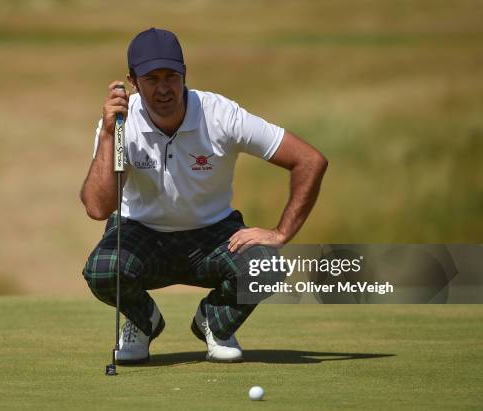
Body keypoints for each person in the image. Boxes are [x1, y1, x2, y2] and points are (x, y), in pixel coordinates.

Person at [80, 28, 327, 364]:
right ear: (133, 80)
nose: (164, 88)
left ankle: (214, 321)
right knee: (102, 270)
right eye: (152, 78)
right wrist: (110, 133)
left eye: (172, 76)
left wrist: (281, 233)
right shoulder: (122, 124)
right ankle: (143, 322)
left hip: (213, 234)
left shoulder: (220, 115)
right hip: (142, 231)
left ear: (185, 75)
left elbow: (309, 160)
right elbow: (98, 207)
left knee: (266, 266)